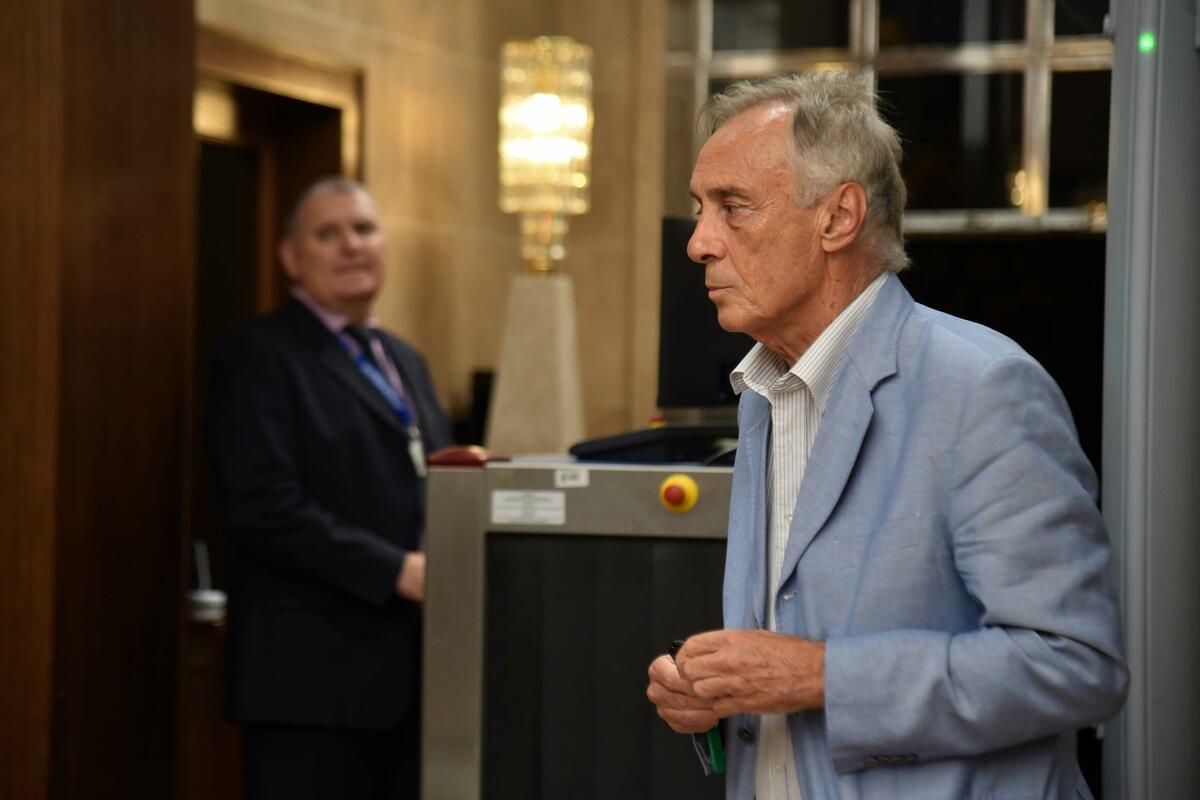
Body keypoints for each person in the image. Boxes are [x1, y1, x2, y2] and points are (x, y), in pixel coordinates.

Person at [645, 73, 1127, 799]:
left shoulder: (982, 386)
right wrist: (712, 695)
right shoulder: (764, 394)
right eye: (699, 209)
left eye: (732, 207)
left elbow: (1075, 666)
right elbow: (788, 650)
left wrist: (820, 676)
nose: (699, 243)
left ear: (838, 218)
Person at [209, 177, 453, 799]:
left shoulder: (405, 359)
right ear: (291, 257)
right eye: (328, 233)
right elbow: (264, 507)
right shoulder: (259, 355)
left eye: (364, 229)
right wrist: (397, 569)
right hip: (308, 686)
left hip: (413, 681)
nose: (351, 245)